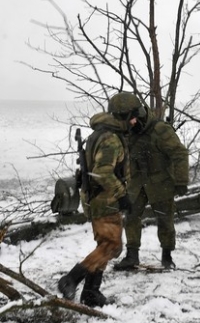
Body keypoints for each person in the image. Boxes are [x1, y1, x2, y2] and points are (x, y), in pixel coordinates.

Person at [57, 93, 135, 307]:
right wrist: (122, 194)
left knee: (105, 246)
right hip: (105, 199)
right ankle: (71, 279)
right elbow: (102, 172)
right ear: (123, 115)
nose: (134, 121)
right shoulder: (110, 139)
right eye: (132, 116)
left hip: (97, 198)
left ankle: (91, 292)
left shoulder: (100, 134)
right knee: (112, 247)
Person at [114, 92, 189, 270]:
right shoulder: (127, 131)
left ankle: (167, 256)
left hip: (160, 182)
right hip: (137, 182)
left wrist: (181, 181)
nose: (130, 124)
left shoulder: (160, 130)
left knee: (165, 220)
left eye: (131, 120)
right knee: (131, 216)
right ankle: (132, 255)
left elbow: (180, 153)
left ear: (138, 114)